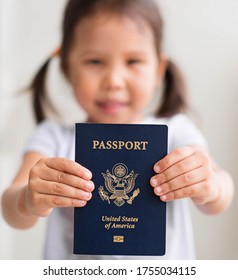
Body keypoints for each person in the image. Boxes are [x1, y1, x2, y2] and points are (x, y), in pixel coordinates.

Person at [1, 0, 234, 260]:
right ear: (67, 68)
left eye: (133, 61)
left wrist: (210, 185)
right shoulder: (53, 138)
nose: (113, 81)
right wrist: (28, 200)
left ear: (158, 70)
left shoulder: (178, 132)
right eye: (95, 61)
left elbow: (222, 194)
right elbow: (12, 210)